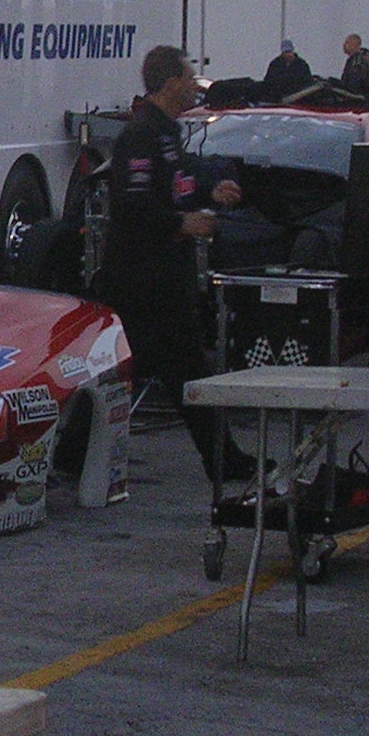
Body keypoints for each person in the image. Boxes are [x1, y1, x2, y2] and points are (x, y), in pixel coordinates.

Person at [96, 45, 257, 482]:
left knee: (160, 370)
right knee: (179, 369)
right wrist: (181, 223)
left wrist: (209, 192)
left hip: (166, 274)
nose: (194, 85)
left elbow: (177, 185)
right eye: (188, 78)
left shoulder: (168, 131)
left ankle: (224, 459)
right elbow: (131, 208)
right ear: (169, 85)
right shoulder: (142, 135)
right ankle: (224, 461)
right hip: (143, 278)